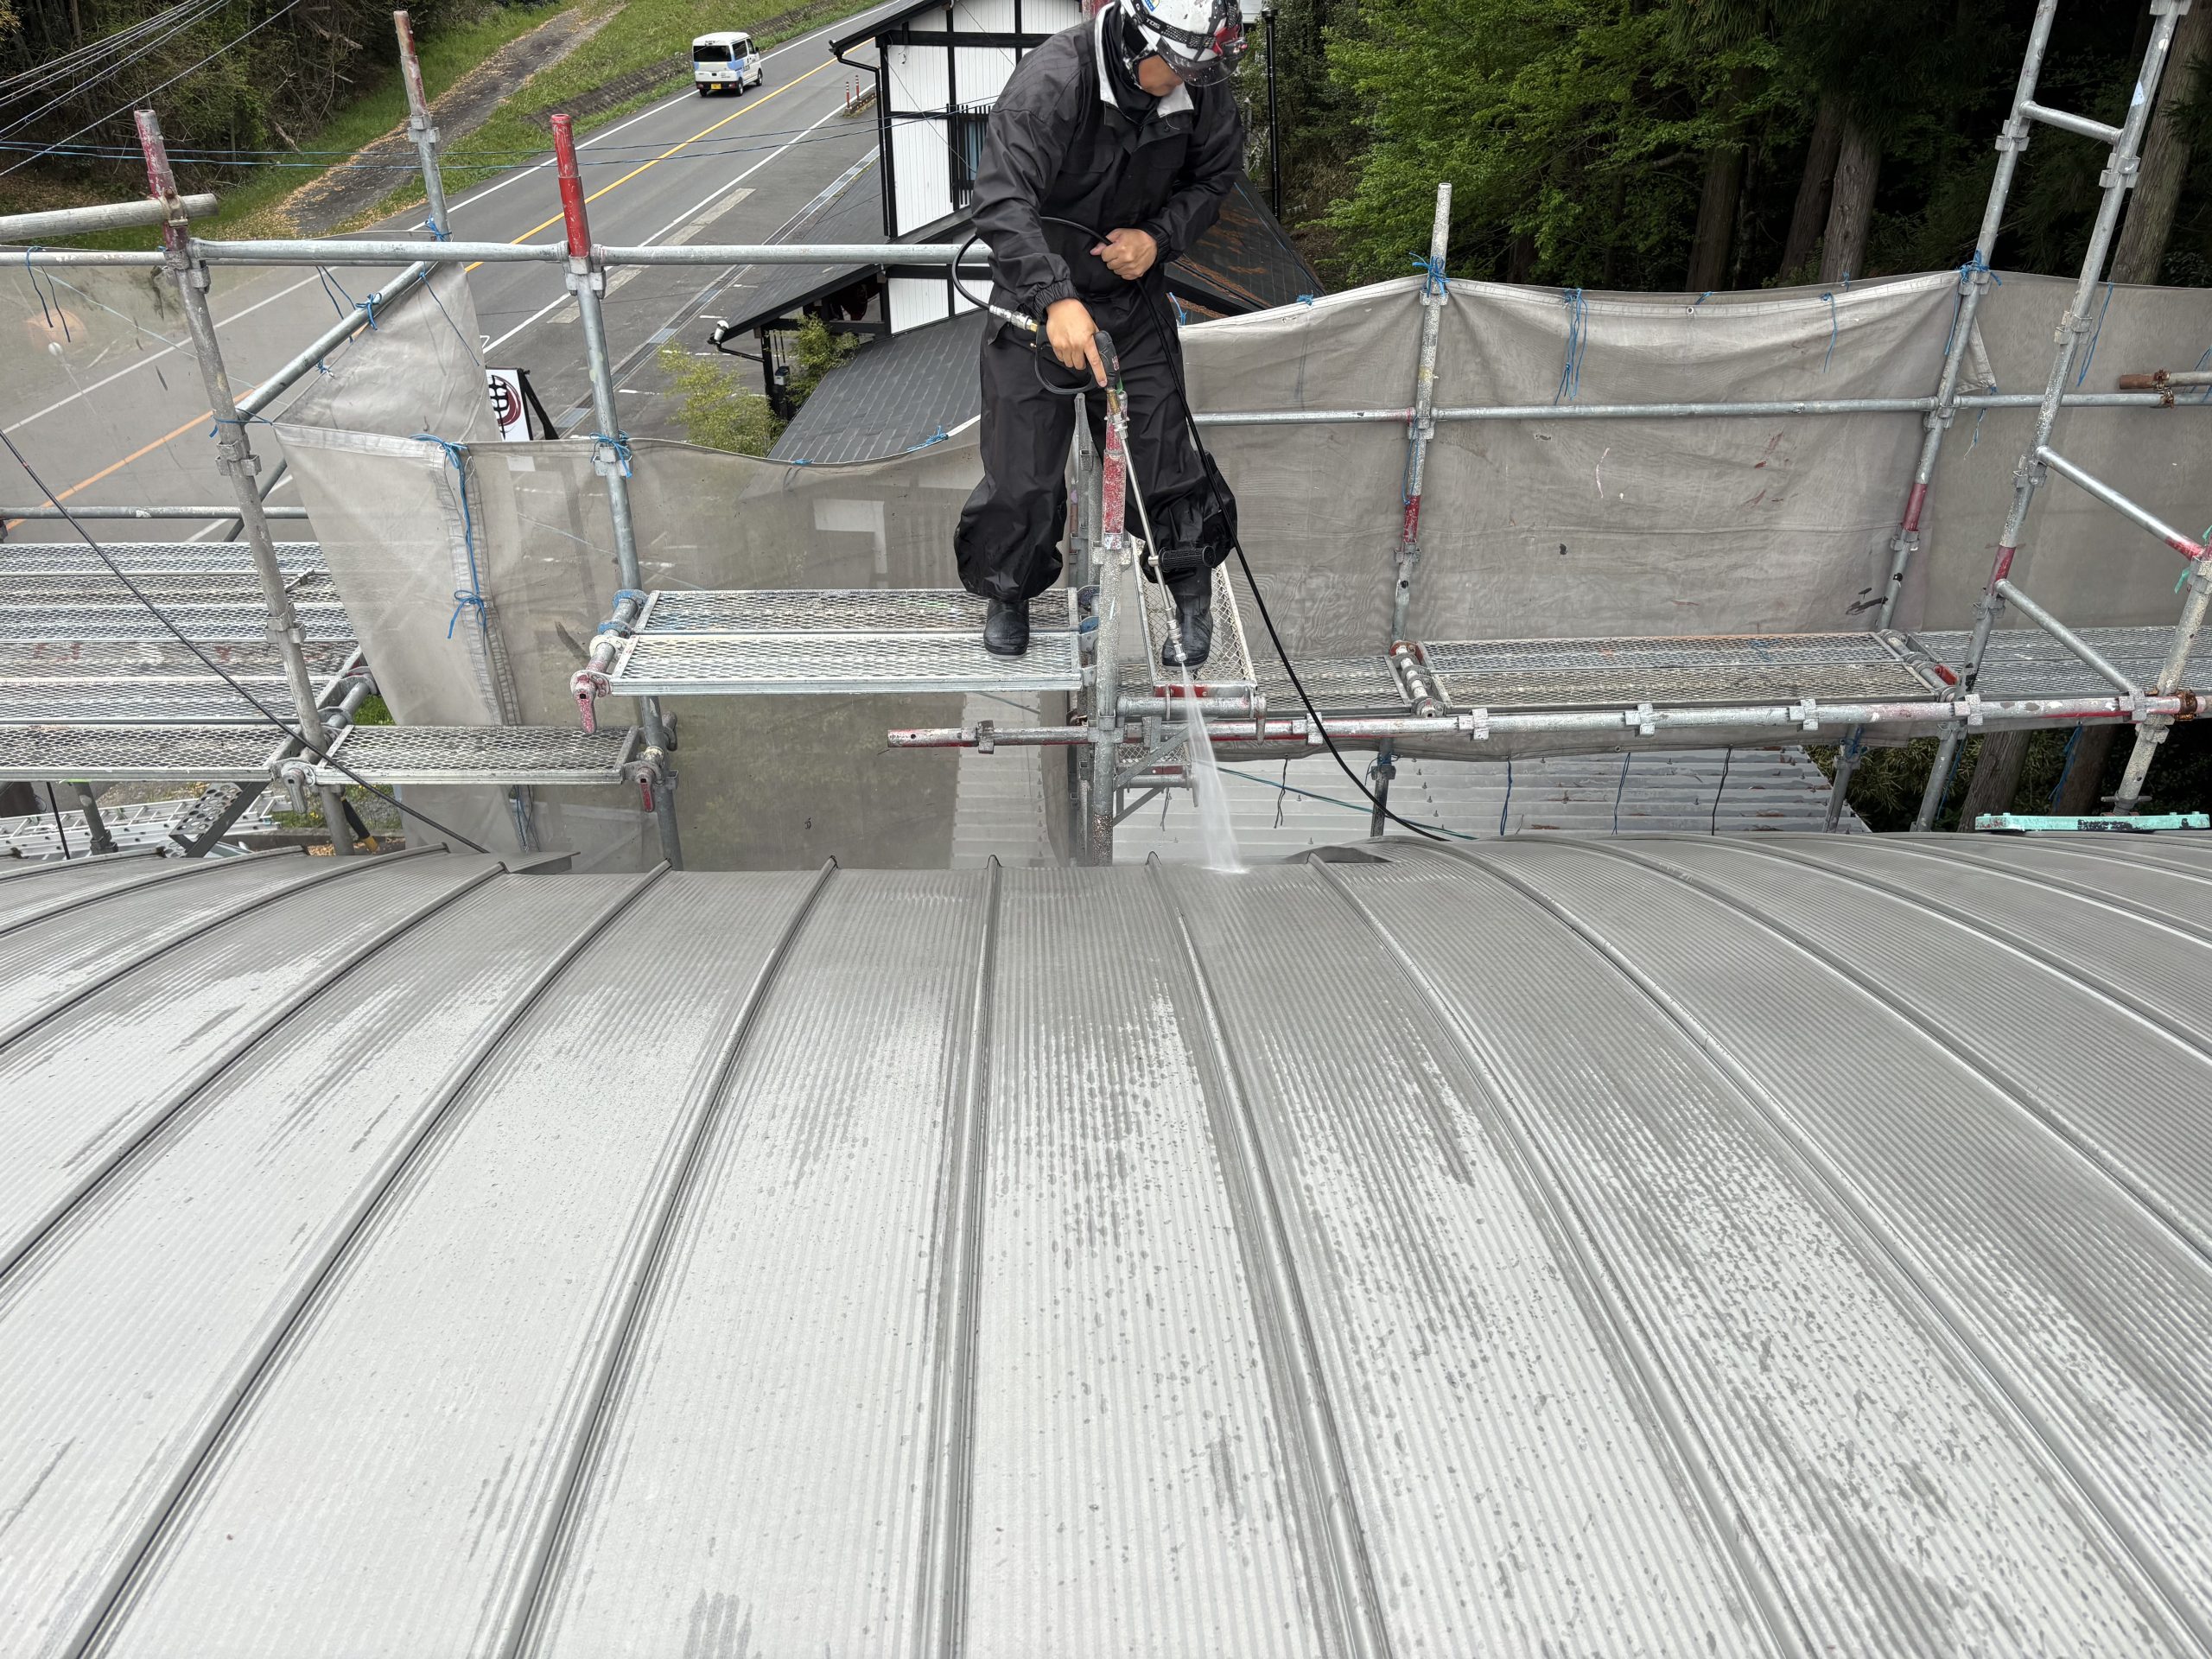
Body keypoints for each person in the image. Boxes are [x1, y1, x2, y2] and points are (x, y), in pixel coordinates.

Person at [954, 0, 1247, 664]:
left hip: (1132, 294)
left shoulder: (1197, 76)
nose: (1185, 83)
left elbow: (1216, 175)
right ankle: (1010, 592)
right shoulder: (1053, 82)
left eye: (1198, 71)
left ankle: (1189, 592)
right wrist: (1054, 298)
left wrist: (1159, 236)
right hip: (1036, 297)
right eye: (1171, 69)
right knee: (1021, 468)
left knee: (1162, 449)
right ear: (1130, 45)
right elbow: (1001, 199)